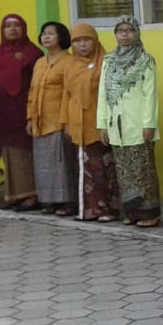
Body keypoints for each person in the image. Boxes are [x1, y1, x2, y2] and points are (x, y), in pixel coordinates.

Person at [96, 16, 162, 227]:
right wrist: (103, 124)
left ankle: (149, 213)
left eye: (129, 30)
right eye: (120, 30)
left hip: (139, 125)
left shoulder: (145, 60)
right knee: (124, 172)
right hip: (117, 127)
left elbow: (150, 94)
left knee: (143, 171)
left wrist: (149, 124)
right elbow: (102, 94)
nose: (124, 34)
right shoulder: (109, 60)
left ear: (137, 33)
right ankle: (132, 213)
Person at [63, 23, 119, 222]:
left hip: (100, 123)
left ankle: (108, 209)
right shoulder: (70, 64)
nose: (82, 45)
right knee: (86, 169)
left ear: (95, 41)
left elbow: (112, 95)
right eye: (77, 41)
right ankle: (90, 209)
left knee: (104, 167)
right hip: (79, 124)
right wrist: (66, 122)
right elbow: (66, 95)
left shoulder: (106, 62)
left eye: (86, 40)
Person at [0, 14, 43, 211]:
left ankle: (30, 195)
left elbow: (36, 85)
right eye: (8, 26)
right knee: (8, 154)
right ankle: (12, 194)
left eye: (17, 25)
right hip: (1, 114)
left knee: (23, 153)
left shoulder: (32, 53)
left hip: (21, 112)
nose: (12, 30)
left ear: (24, 28)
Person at [27, 22, 77, 216]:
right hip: (40, 120)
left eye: (51, 34)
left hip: (59, 119)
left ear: (61, 37)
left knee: (62, 162)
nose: (45, 37)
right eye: (43, 34)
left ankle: (68, 201)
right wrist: (31, 118)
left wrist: (67, 121)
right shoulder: (40, 62)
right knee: (44, 164)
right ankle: (49, 200)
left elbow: (69, 93)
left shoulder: (69, 62)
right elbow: (32, 92)